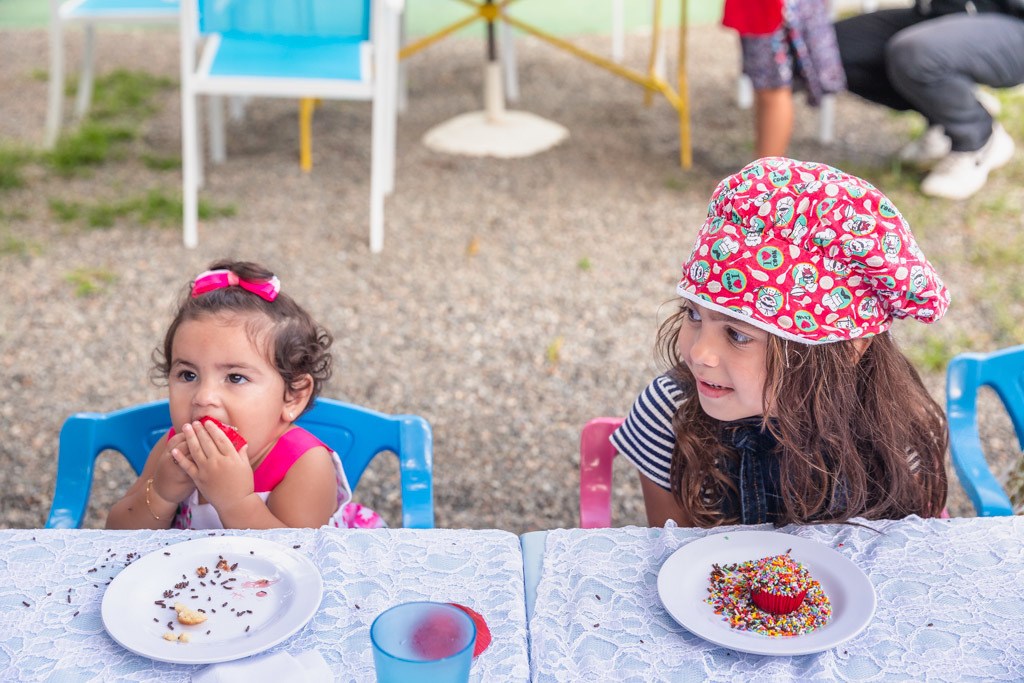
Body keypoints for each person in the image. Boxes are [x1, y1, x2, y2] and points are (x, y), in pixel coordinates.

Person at [612, 157, 950, 528]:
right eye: (694, 314)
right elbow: (675, 560)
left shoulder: (895, 430)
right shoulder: (668, 418)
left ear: (848, 349)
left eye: (738, 334)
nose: (698, 353)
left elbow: (903, 557)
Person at [106, 260, 385, 530]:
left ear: (293, 397)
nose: (204, 397)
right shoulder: (172, 450)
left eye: (235, 377)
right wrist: (160, 495)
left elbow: (298, 560)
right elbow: (116, 534)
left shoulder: (303, 464)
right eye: (188, 375)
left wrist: (235, 502)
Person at [834, 1, 1024, 200]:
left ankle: (978, 138)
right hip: (938, 10)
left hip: (1013, 20)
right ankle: (948, 116)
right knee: (827, 51)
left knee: (916, 53)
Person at [722, 0, 846, 157]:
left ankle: (767, 174)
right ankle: (758, 168)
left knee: (773, 90)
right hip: (761, 10)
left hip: (772, 12)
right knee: (764, 88)